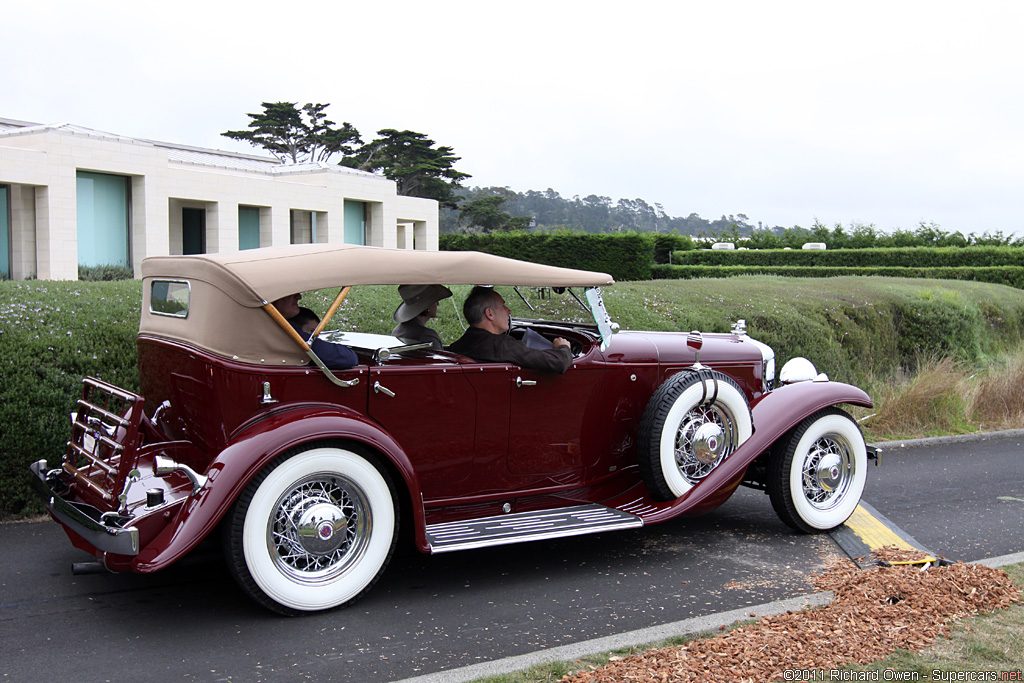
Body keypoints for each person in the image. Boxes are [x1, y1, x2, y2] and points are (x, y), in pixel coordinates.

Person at [447, 286, 573, 373]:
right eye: (503, 306)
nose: (509, 311)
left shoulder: (458, 345)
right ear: (490, 314)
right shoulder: (502, 346)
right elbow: (558, 362)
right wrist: (563, 347)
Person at [272, 293, 358, 369]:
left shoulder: (268, 325)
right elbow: (346, 358)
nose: (299, 297)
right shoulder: (280, 330)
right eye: (290, 293)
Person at [391, 284, 452, 350]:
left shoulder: (397, 331)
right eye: (435, 301)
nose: (438, 304)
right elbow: (439, 359)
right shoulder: (426, 336)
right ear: (427, 307)